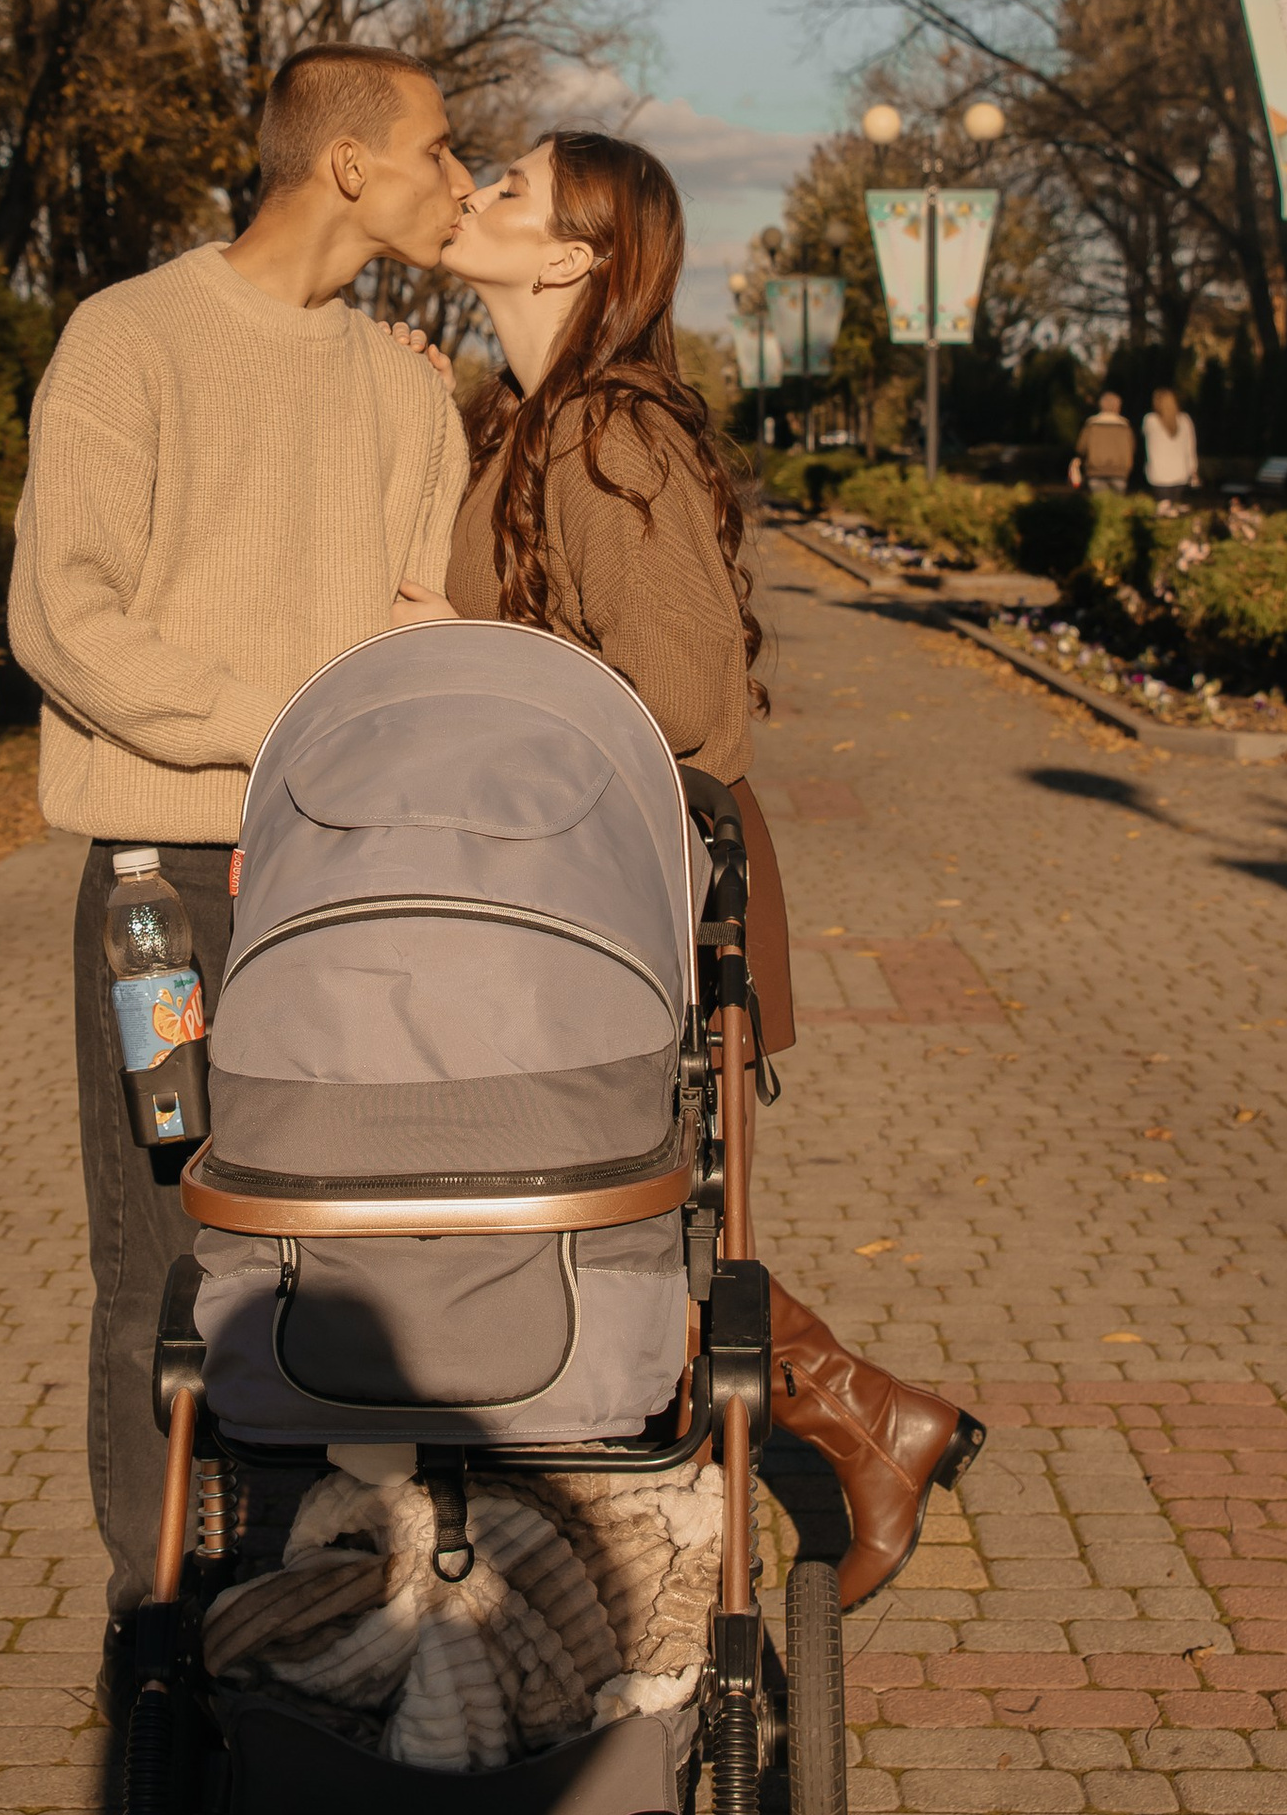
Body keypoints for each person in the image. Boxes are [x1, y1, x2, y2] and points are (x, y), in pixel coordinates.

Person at [410, 129, 985, 1613]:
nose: (474, 190)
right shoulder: (530, 421)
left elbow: (688, 698)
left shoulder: (612, 433)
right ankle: (862, 1415)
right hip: (565, 896)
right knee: (565, 1220)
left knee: (587, 1225)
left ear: (576, 257)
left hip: (635, 899)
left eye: (515, 189)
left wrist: (469, 655)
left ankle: (827, 1430)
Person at [6, 41, 471, 1647]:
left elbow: (426, 633)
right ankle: (157, 1626)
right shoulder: (128, 339)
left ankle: (296, 1601)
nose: (457, 182)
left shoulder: (408, 393)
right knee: (158, 1267)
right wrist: (288, 725)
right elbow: (65, 617)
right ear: (347, 164)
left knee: (325, 1262)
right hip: (167, 895)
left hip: (342, 887)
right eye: (438, 151)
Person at [1070, 389, 1135, 493]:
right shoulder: (1125, 426)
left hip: (1095, 470)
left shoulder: (1091, 424)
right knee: (1117, 505)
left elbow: (1081, 447)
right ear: (1118, 406)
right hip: (1119, 471)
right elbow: (1132, 447)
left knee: (1099, 503)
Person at [1143, 386, 1199, 505]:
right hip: (1180, 473)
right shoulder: (1185, 420)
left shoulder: (1150, 420)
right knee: (1175, 508)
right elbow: (1190, 448)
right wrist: (1193, 469)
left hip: (1158, 474)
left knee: (1163, 509)